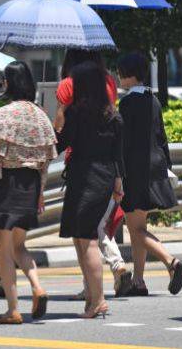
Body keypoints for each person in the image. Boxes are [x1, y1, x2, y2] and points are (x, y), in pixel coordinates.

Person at [0, 62, 56, 324]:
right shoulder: (41, 116)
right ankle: (37, 285)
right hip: (31, 186)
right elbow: (46, 159)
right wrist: (40, 191)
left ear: (8, 84)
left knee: (4, 250)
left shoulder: (2, 115)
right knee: (20, 246)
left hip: (6, 185)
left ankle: (13, 309)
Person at [55, 49, 133, 299]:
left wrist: (55, 125)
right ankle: (93, 294)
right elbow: (118, 155)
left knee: (84, 238)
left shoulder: (76, 114)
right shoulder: (114, 117)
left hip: (82, 177)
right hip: (107, 177)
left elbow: (60, 144)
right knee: (89, 235)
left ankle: (95, 298)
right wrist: (118, 183)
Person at [117, 53, 182, 296]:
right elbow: (162, 137)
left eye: (120, 71)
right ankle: (139, 281)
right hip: (154, 168)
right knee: (139, 226)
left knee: (135, 229)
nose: (118, 76)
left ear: (128, 74)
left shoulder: (126, 104)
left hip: (134, 171)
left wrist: (117, 172)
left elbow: (122, 142)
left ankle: (171, 262)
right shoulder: (153, 100)